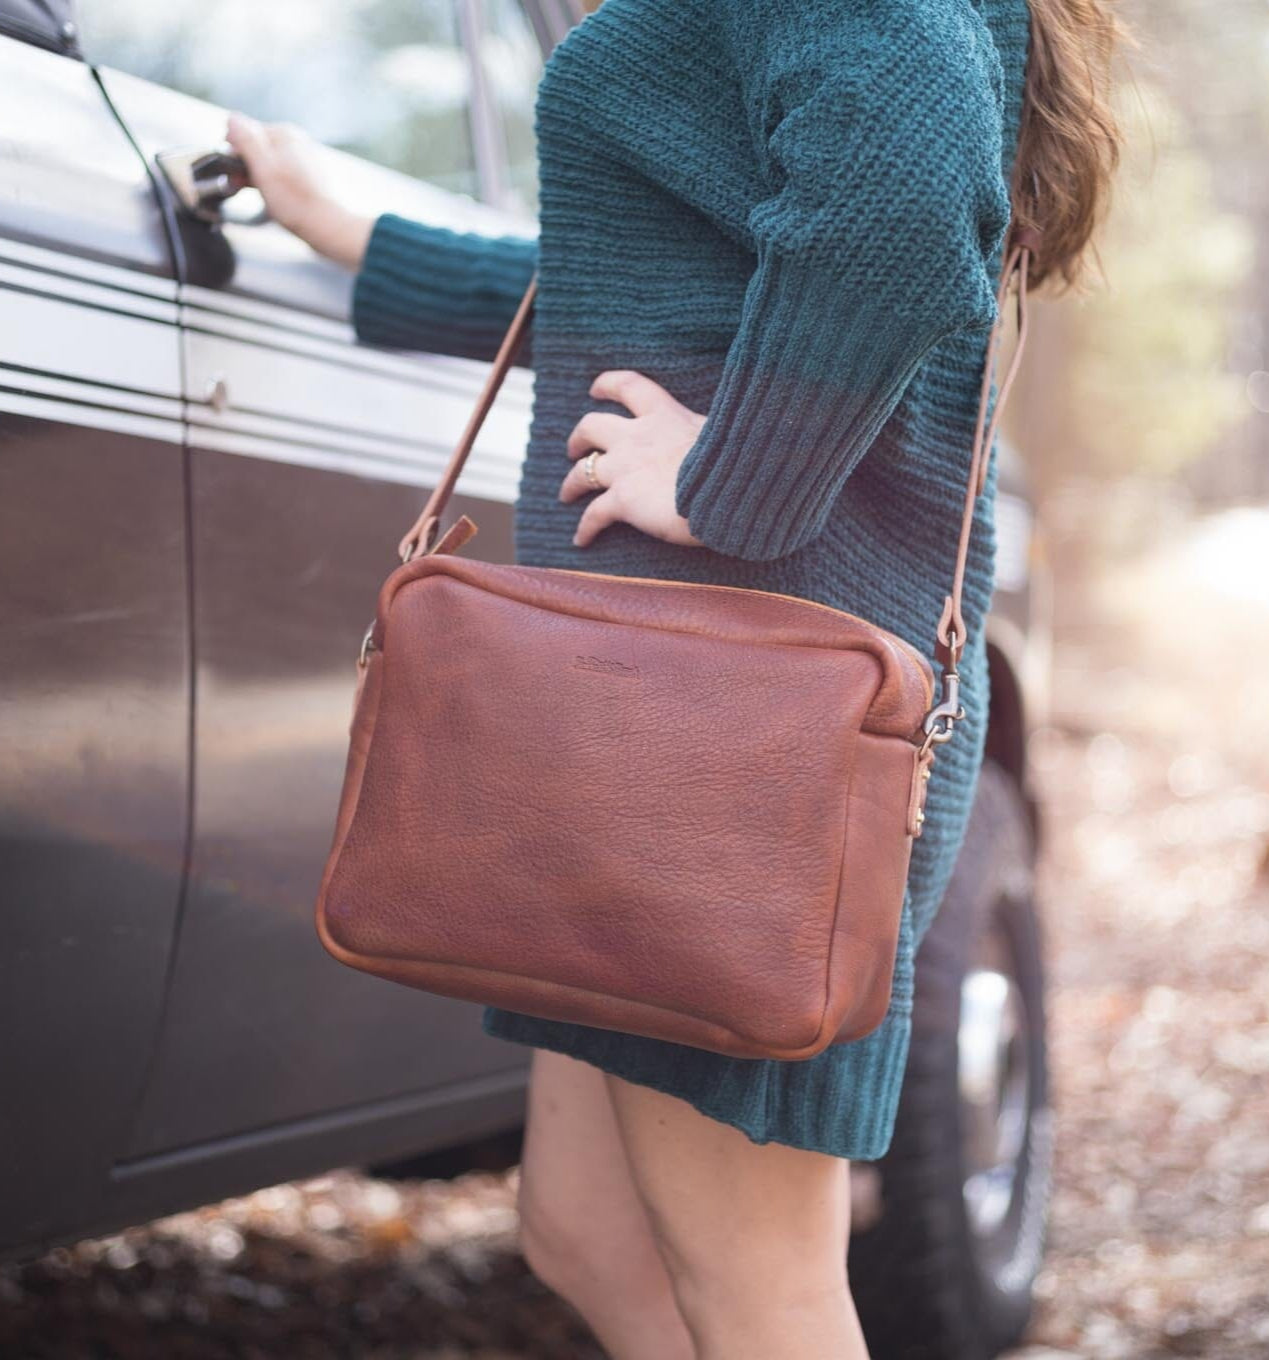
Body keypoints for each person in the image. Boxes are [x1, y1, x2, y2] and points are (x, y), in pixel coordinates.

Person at [228, 1, 1119, 1354]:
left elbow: (900, 219)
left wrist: (725, 485)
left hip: (745, 722)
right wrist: (366, 239)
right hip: (662, 716)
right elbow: (656, 271)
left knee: (757, 1285)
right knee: (586, 1234)